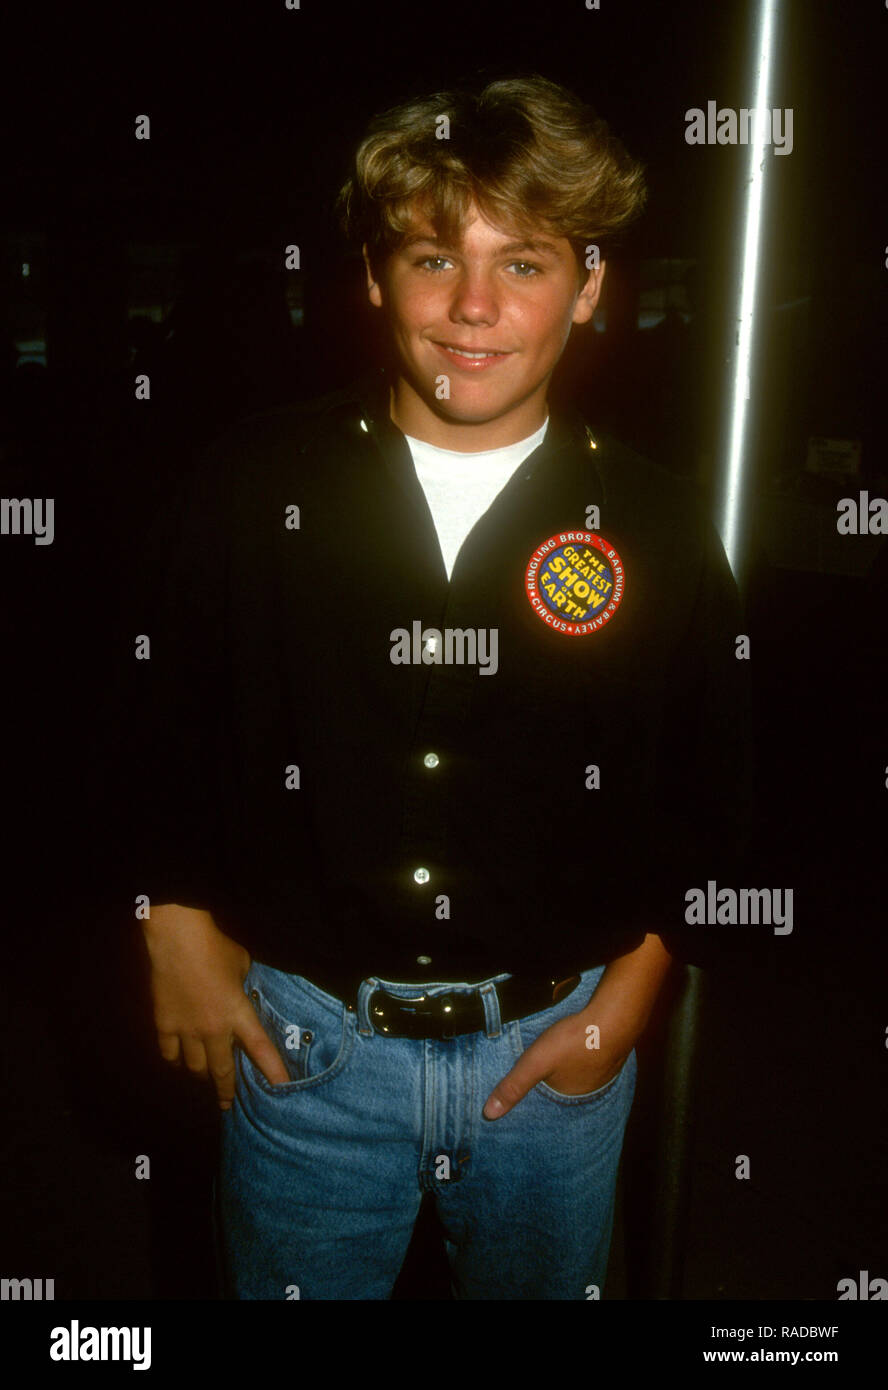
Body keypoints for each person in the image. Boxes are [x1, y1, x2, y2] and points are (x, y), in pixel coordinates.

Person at [133, 74, 751, 1300]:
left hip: (552, 1065)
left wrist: (624, 1000)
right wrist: (173, 926)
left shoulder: (660, 521)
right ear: (372, 277)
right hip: (307, 1055)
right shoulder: (253, 486)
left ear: (587, 286)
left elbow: (716, 777)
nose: (472, 307)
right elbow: (153, 720)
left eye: (522, 264)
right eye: (430, 258)